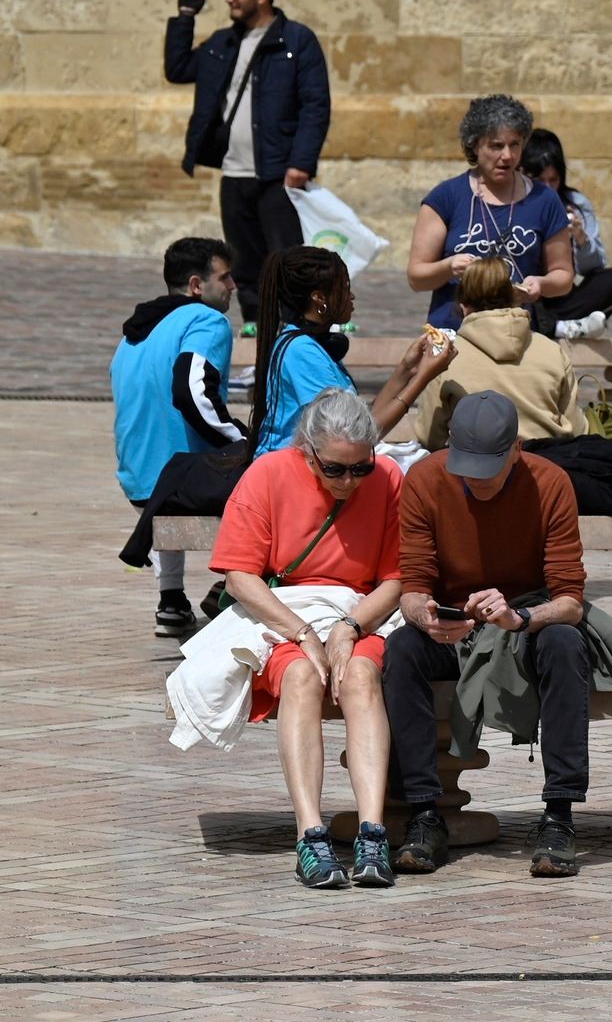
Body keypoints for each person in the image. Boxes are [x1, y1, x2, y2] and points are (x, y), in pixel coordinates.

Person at [383, 391, 592, 878]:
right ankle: (423, 813)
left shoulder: (551, 483)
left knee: (565, 644)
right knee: (401, 651)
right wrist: (426, 615)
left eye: (488, 469)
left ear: (517, 450)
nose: (475, 479)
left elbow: (570, 602)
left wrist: (520, 619)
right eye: (465, 466)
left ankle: (559, 815)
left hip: (526, 620)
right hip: (456, 625)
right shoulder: (426, 479)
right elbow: (412, 585)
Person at [210, 388, 403, 889]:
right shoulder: (270, 473)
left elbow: (397, 578)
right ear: (307, 452)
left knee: (360, 675)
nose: (349, 481)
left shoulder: (388, 479)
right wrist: (300, 632)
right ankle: (310, 834)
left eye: (361, 468)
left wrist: (350, 627)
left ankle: (372, 830)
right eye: (335, 469)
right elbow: (239, 576)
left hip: (360, 611)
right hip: (285, 612)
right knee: (300, 676)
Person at [165, 0, 330, 335]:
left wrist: (301, 161)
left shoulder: (296, 40)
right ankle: (256, 327)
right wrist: (186, 16)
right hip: (234, 171)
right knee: (244, 261)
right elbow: (177, 69)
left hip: (278, 171)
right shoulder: (223, 42)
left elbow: (315, 104)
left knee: (287, 258)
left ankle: (296, 331)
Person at [111, 238, 244, 636]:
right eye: (225, 277)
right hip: (180, 482)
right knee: (278, 472)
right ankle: (234, 590)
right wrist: (243, 441)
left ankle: (172, 601)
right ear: (196, 285)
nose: (234, 285)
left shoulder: (134, 333)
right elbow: (191, 390)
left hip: (138, 481)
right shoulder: (206, 320)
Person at [406, 96, 603, 342]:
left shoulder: (545, 200)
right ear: (475, 145)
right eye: (496, 146)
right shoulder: (446, 197)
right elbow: (416, 276)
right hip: (453, 335)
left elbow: (563, 276)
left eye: (515, 145)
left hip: (517, 337)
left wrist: (540, 284)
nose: (507, 156)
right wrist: (449, 266)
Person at [248, 246, 455, 457]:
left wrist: (408, 369)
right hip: (287, 473)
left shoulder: (310, 343)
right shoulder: (302, 352)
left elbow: (363, 421)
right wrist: (424, 377)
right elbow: (356, 437)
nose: (351, 296)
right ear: (319, 298)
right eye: (345, 288)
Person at [414, 256, 582, 448]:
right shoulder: (552, 351)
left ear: (463, 306)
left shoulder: (446, 357)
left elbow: (429, 436)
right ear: (513, 298)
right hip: (545, 468)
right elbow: (576, 428)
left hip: (474, 469)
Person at [521, 128, 612, 332]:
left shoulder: (575, 204)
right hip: (525, 294)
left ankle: (553, 325)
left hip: (561, 296)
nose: (547, 188)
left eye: (553, 180)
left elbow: (594, 268)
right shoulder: (514, 203)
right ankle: (556, 326)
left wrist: (580, 239)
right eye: (540, 181)